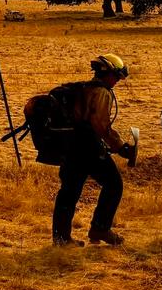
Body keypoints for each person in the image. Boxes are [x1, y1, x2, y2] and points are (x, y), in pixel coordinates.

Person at [52, 54, 135, 246]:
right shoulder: (101, 93)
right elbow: (101, 125)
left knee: (69, 192)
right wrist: (120, 147)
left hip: (70, 146)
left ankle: (61, 238)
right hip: (88, 147)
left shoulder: (81, 88)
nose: (117, 81)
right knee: (114, 184)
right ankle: (100, 228)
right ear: (108, 74)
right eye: (116, 76)